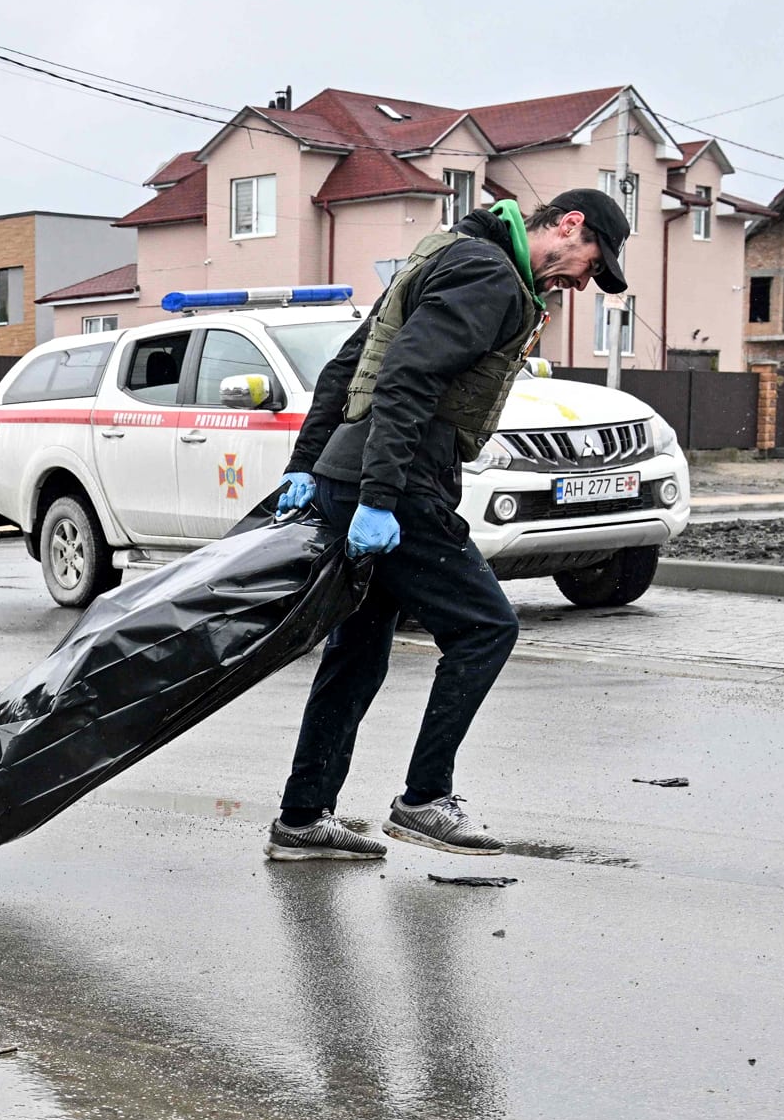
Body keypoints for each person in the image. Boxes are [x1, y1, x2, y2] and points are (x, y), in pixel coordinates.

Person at [263, 189, 629, 861]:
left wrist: (311, 464)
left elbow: (349, 363)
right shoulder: (490, 276)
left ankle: (302, 818)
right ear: (570, 226)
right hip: (398, 482)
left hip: (363, 473)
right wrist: (377, 496)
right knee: (487, 626)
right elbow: (403, 377)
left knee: (359, 652)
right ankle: (425, 799)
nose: (581, 282)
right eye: (590, 263)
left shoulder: (446, 251)